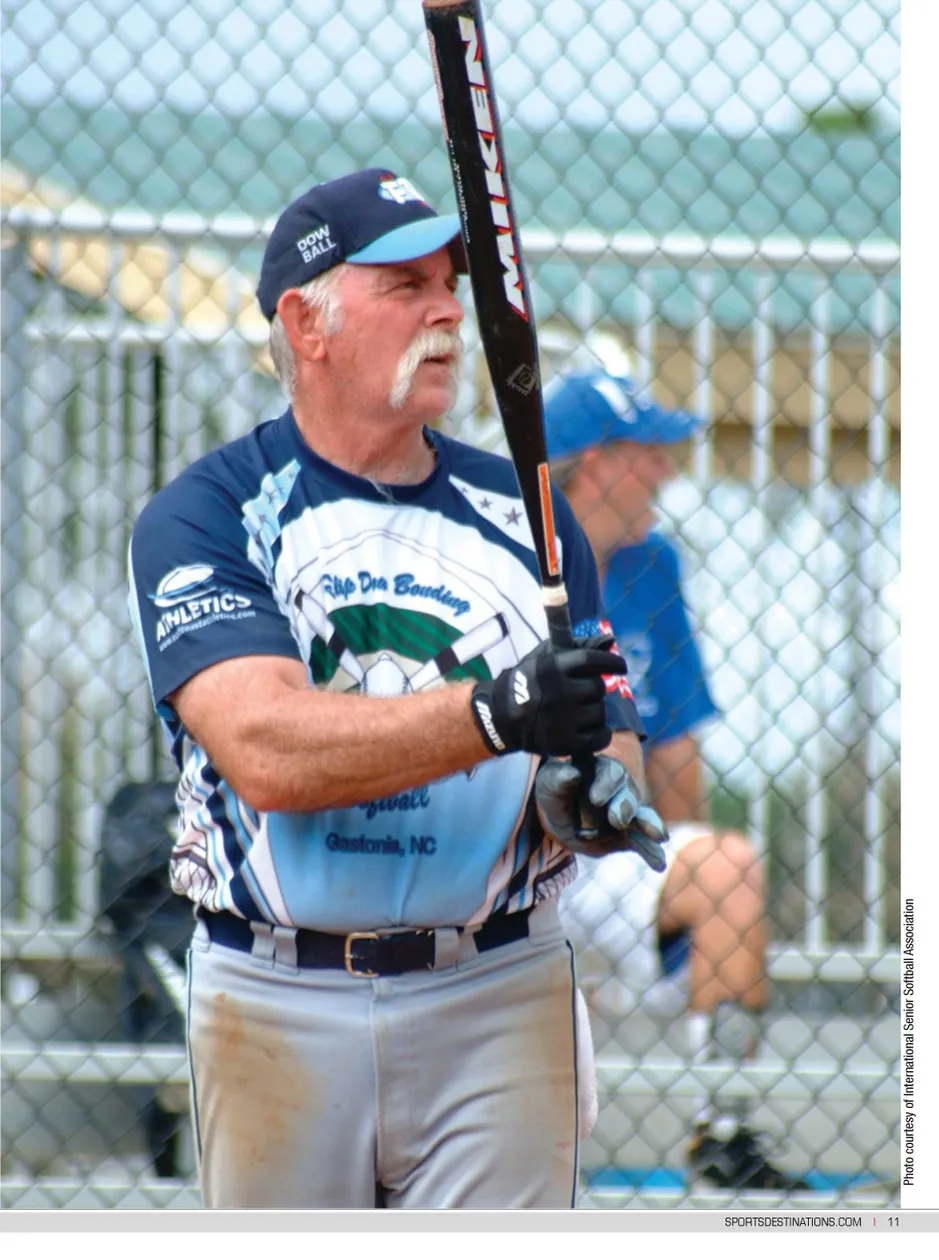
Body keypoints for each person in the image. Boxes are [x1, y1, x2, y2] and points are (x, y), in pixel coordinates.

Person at [126, 168, 668, 1210]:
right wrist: (496, 714)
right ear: (307, 324)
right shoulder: (208, 515)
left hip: (497, 986)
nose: (447, 312)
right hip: (277, 997)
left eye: (449, 286)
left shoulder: (532, 517)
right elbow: (266, 748)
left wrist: (590, 789)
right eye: (404, 286)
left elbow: (606, 729)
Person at [544, 369, 814, 1193]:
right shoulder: (512, 559)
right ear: (595, 463)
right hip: (506, 859)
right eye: (648, 452)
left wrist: (675, 866)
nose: (667, 470)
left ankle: (723, 1137)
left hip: (608, 857)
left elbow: (675, 752)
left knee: (727, 866)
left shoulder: (652, 565)